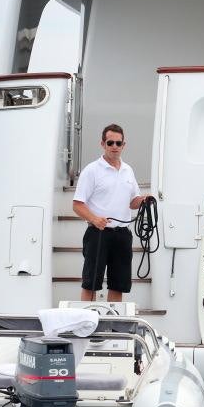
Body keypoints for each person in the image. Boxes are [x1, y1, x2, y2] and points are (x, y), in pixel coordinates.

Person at [73, 124, 149, 301]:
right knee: (91, 282)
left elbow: (132, 203)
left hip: (122, 234)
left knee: (118, 284)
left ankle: (113, 326)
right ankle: (87, 324)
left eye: (118, 143)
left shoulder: (128, 170)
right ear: (103, 144)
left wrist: (144, 201)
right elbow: (77, 204)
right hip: (98, 233)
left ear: (124, 145)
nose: (114, 146)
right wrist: (94, 219)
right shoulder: (92, 170)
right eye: (110, 142)